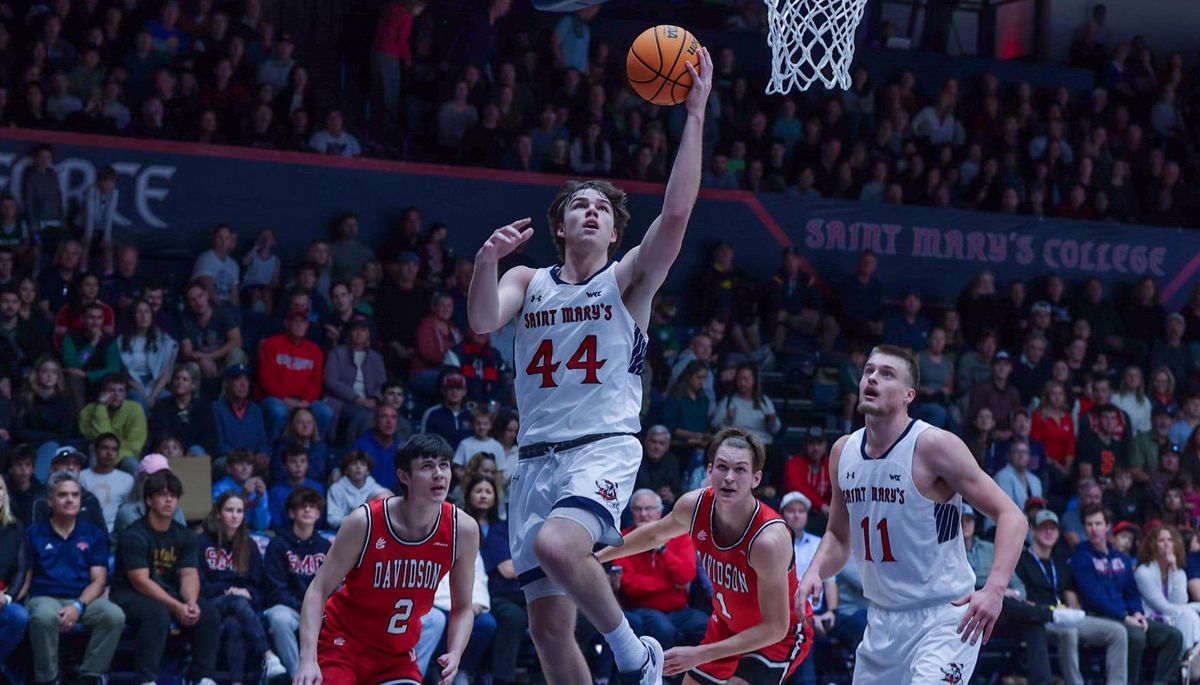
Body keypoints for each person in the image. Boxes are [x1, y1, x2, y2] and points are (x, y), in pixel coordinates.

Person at [467, 45, 713, 685]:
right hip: (534, 458)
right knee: (548, 630)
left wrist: (695, 113)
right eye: (580, 204)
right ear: (561, 225)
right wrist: (484, 261)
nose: (591, 211)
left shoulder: (628, 283)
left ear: (612, 233)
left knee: (558, 546)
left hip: (600, 447)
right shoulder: (529, 278)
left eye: (602, 208)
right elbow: (481, 319)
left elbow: (678, 212)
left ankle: (636, 656)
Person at [799, 344, 1028, 684]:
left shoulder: (933, 445)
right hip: (882, 620)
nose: (872, 378)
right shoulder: (842, 452)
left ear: (909, 395)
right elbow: (837, 535)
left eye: (886, 374)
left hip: (944, 615)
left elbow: (1012, 515)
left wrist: (994, 589)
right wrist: (815, 570)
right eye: (869, 371)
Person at [599, 428, 810, 683]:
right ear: (709, 471)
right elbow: (653, 535)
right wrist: (596, 557)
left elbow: (775, 627)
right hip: (726, 625)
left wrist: (698, 653)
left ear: (756, 479)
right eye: (722, 467)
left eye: (740, 469)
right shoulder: (693, 506)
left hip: (776, 636)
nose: (729, 477)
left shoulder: (768, 540)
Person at [292, 434, 479, 685]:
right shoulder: (365, 521)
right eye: (427, 466)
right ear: (404, 477)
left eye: (444, 465)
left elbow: (463, 607)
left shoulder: (463, 529)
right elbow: (318, 589)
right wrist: (307, 659)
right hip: (343, 645)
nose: (439, 474)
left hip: (396, 655)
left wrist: (455, 653)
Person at [111, 470, 221, 685]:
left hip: (169, 593)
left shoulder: (185, 535)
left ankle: (202, 677)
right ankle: (147, 680)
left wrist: (189, 602)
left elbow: (189, 574)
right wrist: (175, 606)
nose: (169, 499)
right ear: (149, 500)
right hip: (129, 594)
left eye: (173, 495)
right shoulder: (134, 535)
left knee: (208, 612)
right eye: (162, 495)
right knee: (156, 613)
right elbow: (140, 581)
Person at [24, 471, 125, 685]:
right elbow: (26, 575)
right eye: (62, 495)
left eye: (75, 495)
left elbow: (99, 580)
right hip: (45, 597)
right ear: (50, 501)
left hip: (82, 598)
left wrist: (78, 606)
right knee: (43, 617)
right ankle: (48, 680)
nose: (70, 499)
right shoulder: (34, 533)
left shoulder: (93, 533)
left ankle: (90, 676)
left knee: (113, 616)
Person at [1070, 504, 1184, 684]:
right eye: (1089, 524)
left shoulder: (1121, 558)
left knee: (1173, 636)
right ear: (1084, 527)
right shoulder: (1080, 558)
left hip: (1127, 615)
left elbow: (1132, 592)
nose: (1094, 529)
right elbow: (1094, 597)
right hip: (1100, 616)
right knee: (1136, 636)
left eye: (1098, 523)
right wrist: (1124, 617)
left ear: (1107, 526)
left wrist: (1137, 612)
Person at [1015, 509, 1126, 685]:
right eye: (1043, 527)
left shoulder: (1061, 562)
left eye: (1053, 528)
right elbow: (1020, 598)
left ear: (1059, 533)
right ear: (1033, 531)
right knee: (1069, 632)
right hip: (1041, 618)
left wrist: (1074, 613)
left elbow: (1070, 596)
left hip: (1065, 615)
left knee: (1118, 632)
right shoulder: (1021, 560)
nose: (1049, 532)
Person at [197, 492, 288, 685]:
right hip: (210, 604)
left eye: (239, 511)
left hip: (241, 607)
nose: (234, 515)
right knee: (237, 601)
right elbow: (199, 585)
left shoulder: (248, 545)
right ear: (219, 513)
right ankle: (269, 656)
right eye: (229, 510)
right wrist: (227, 590)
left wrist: (248, 594)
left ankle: (235, 682)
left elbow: (257, 586)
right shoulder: (202, 542)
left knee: (234, 625)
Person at [612, 489, 709, 654]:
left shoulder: (680, 536)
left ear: (660, 511)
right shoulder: (624, 539)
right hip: (643, 609)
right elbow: (630, 586)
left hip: (679, 610)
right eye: (638, 509)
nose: (644, 514)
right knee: (664, 630)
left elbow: (686, 575)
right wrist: (670, 584)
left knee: (706, 626)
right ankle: (661, 676)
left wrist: (662, 549)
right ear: (632, 512)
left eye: (649, 509)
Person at [263, 487, 331, 677]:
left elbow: (333, 585)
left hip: (319, 608)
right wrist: (305, 608)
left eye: (312, 507)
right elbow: (275, 588)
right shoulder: (278, 544)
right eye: (302, 507)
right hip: (289, 607)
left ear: (318, 514)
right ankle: (298, 677)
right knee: (279, 619)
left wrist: (319, 608)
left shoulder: (325, 546)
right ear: (292, 513)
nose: (308, 510)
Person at [0, 474, 29, 677]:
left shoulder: (15, 527)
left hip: (2, 598)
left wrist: (8, 598)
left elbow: (20, 569)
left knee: (19, 616)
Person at [78, 431, 134, 531]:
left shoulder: (127, 480)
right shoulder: (82, 476)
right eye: (104, 448)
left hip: (115, 534)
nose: (109, 453)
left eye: (114, 449)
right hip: (86, 531)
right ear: (95, 451)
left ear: (118, 454)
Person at [325, 450, 390, 529]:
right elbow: (332, 520)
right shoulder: (335, 489)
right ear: (346, 470)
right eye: (354, 464)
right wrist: (359, 519)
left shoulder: (378, 490)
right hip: (342, 533)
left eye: (363, 464)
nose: (358, 467)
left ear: (368, 471)